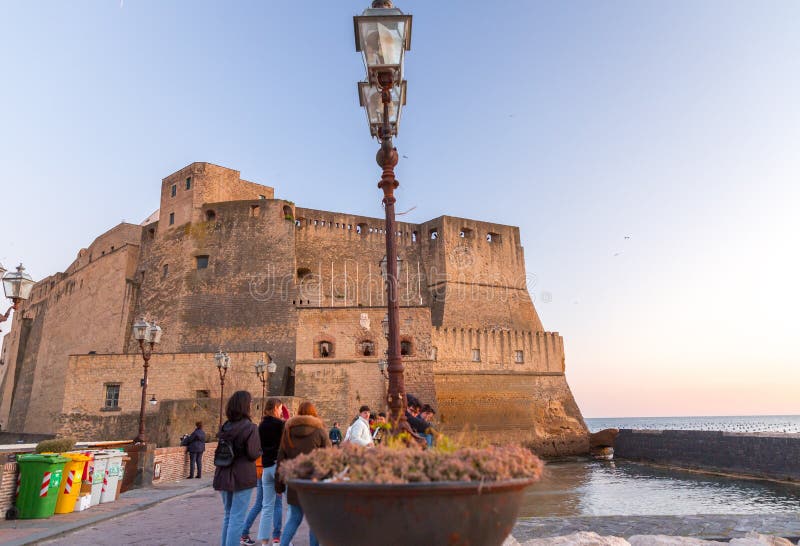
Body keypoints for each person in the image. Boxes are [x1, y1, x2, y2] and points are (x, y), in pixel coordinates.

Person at [275, 401, 331, 546]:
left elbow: (281, 458)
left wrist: (279, 485)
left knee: (294, 518)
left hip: (295, 482)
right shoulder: (320, 431)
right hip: (315, 482)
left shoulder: (288, 431)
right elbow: (329, 458)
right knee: (315, 521)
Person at [214, 391, 262, 546]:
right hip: (242, 475)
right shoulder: (250, 427)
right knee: (237, 517)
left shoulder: (226, 426)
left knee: (229, 515)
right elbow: (253, 453)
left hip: (224, 473)